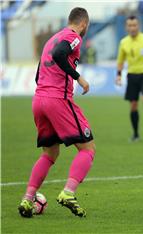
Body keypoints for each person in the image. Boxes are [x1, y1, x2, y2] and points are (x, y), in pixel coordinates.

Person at [18, 7, 95, 218]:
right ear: (83, 24)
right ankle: (68, 192)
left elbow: (38, 74)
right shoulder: (73, 37)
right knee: (87, 148)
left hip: (39, 99)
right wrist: (78, 77)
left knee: (50, 153)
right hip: (56, 100)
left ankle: (28, 198)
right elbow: (60, 53)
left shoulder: (52, 38)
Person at [115, 15, 143, 143]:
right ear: (126, 27)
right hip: (132, 76)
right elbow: (120, 60)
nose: (132, 28)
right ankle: (135, 134)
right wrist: (118, 74)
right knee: (133, 106)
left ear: (138, 26)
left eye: (134, 25)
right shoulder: (124, 42)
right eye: (129, 25)